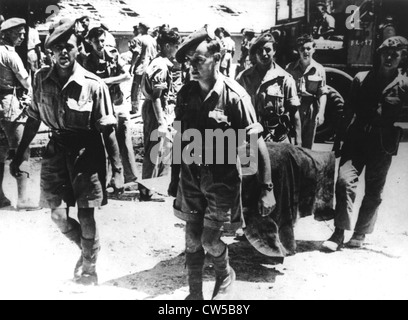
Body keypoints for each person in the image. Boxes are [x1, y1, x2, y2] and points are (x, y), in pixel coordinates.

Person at [9, 19, 124, 285]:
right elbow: (33, 118)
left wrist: (118, 170)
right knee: (58, 216)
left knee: (85, 214)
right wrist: (20, 154)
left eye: (68, 47)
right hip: (56, 150)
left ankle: (89, 269)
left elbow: (107, 130)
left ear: (78, 48)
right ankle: (87, 252)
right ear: (49, 52)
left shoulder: (94, 85)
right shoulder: (40, 79)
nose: (63, 53)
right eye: (57, 48)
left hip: (87, 152)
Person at [170, 26, 275, 300]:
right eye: (189, 60)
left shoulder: (235, 96)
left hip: (222, 180)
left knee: (210, 240)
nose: (192, 66)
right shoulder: (186, 94)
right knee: (192, 238)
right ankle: (195, 294)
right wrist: (173, 177)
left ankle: (225, 275)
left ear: (216, 59)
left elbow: (256, 143)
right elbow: (180, 138)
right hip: (191, 177)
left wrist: (266, 189)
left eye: (199, 59)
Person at [322, 36, 408, 252]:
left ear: (401, 57)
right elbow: (347, 112)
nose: (389, 58)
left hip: (383, 143)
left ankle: (360, 232)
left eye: (395, 55)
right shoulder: (361, 79)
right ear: (379, 55)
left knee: (374, 190)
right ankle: (339, 231)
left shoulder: (405, 84)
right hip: (357, 138)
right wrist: (339, 141)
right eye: (386, 54)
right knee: (344, 182)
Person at [84, 27, 138, 187]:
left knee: (124, 139)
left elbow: (127, 75)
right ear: (90, 42)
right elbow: (88, 82)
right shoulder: (88, 61)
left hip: (118, 101)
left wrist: (106, 81)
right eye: (96, 41)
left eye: (102, 40)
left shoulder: (113, 54)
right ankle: (108, 180)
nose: (100, 44)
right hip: (101, 105)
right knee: (106, 142)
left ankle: (131, 178)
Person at [0, 18, 39, 210]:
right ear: (6, 34)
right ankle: (23, 199)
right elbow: (25, 80)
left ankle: (0, 196)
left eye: (24, 33)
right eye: (18, 33)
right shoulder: (10, 55)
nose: (22, 36)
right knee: (22, 149)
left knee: (0, 151)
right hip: (10, 105)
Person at [237, 32, 302, 145]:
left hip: (277, 139)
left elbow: (294, 113)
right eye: (259, 50)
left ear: (274, 50)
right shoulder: (243, 78)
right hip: (249, 138)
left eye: (268, 50)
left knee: (279, 163)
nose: (264, 54)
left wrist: (298, 142)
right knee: (247, 163)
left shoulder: (285, 79)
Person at [138, 29, 180, 201]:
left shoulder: (163, 62)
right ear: (167, 46)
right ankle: (146, 189)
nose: (177, 49)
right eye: (176, 46)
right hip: (156, 111)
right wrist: (161, 121)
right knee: (154, 150)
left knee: (163, 150)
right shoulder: (160, 66)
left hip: (161, 110)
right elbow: (156, 97)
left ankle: (156, 186)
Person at [286, 34, 328, 149]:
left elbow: (322, 93)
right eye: (302, 49)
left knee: (307, 147)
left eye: (308, 48)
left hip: (310, 110)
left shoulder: (319, 69)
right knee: (293, 145)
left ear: (313, 49)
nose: (305, 52)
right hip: (293, 109)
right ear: (297, 51)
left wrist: (321, 112)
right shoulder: (289, 68)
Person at [130, 22, 158, 114]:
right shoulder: (153, 40)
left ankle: (135, 109)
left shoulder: (139, 39)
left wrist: (132, 65)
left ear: (141, 29)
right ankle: (149, 108)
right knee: (148, 89)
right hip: (150, 67)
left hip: (140, 67)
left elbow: (136, 53)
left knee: (135, 88)